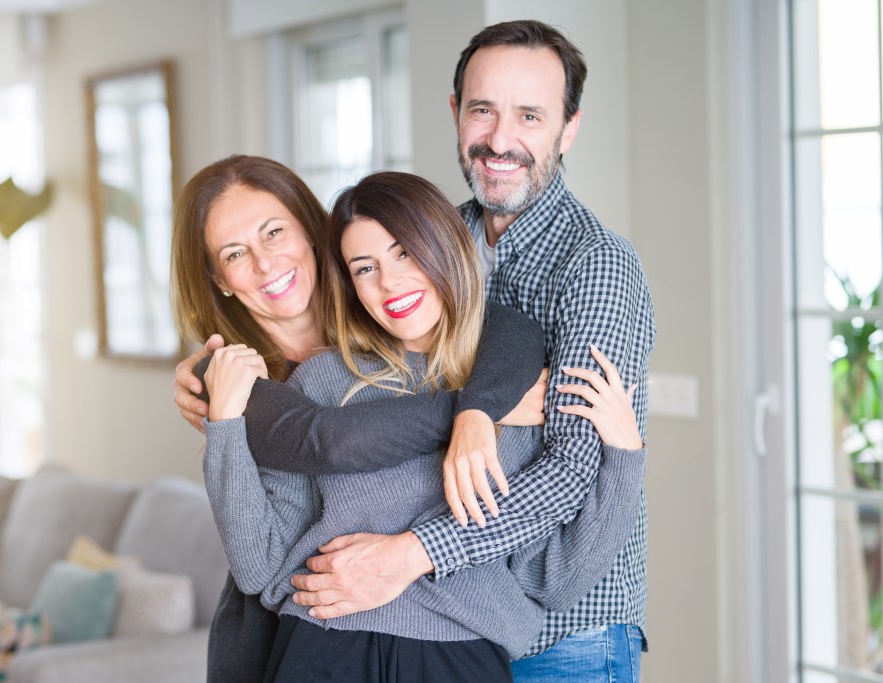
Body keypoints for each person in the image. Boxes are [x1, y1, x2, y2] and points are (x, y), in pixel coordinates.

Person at [264, 21, 657, 683]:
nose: (501, 140)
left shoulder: (596, 267)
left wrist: (412, 552)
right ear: (456, 114)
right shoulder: (429, 239)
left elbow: (569, 473)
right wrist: (230, 388)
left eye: (530, 116)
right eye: (483, 110)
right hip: (449, 625)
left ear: (568, 128)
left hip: (565, 636)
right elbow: (358, 372)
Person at [170, 157, 645, 681]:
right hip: (327, 648)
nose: (390, 281)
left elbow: (551, 579)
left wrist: (624, 459)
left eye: (405, 253)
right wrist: (226, 423)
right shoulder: (313, 384)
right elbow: (271, 545)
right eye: (366, 267)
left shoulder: (508, 388)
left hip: (461, 658)